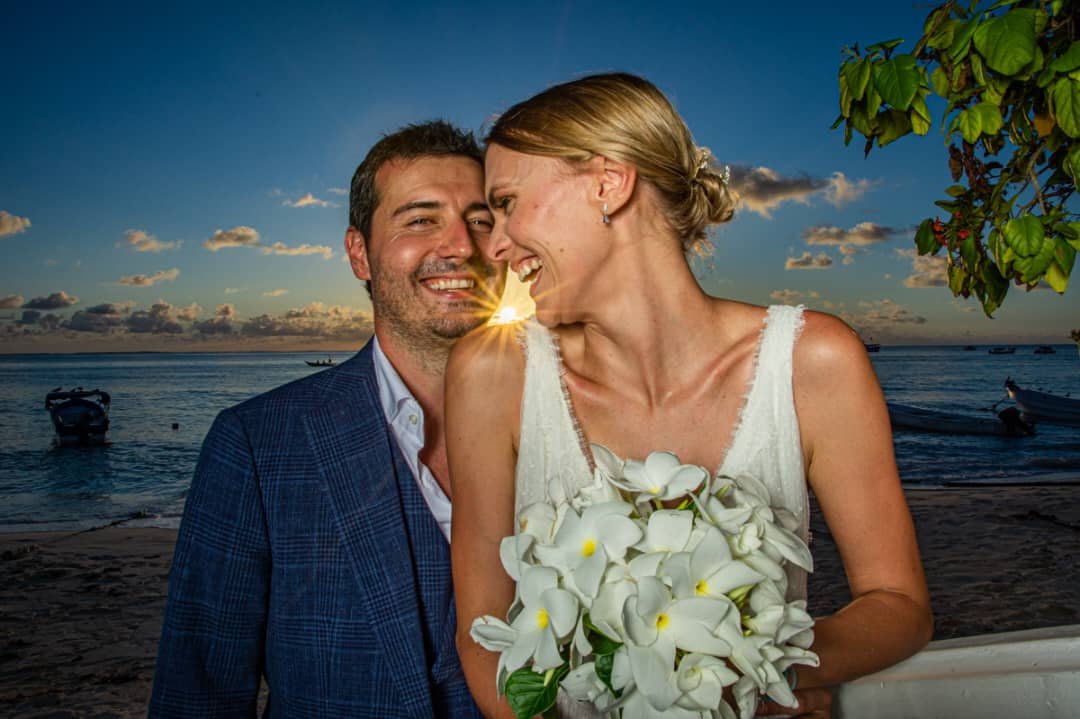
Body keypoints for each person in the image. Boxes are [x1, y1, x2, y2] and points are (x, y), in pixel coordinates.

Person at [447, 73, 933, 718]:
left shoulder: (812, 362)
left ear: (608, 183)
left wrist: (762, 666)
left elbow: (897, 604)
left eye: (507, 202)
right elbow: (483, 630)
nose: (496, 245)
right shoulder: (491, 373)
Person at [150, 120, 504, 718]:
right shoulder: (257, 446)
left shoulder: (571, 423)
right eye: (420, 219)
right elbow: (199, 692)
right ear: (359, 253)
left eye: (481, 219)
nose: (461, 245)